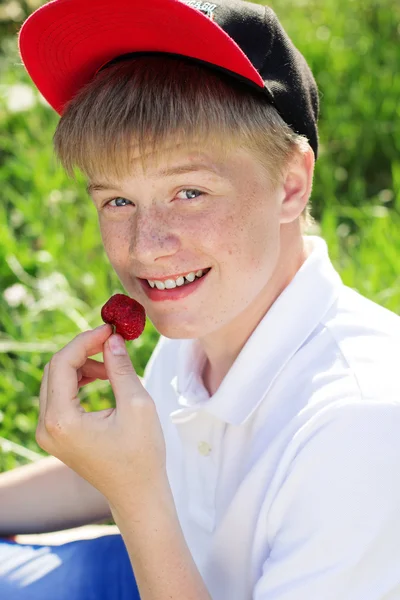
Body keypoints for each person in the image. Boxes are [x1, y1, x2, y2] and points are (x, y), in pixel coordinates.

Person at [1, 0, 399, 598]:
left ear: (290, 184)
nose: (146, 248)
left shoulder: (363, 426)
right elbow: (127, 474)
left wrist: (134, 496)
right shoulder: (209, 328)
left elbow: (138, 485)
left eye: (189, 191)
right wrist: (121, 476)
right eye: (117, 201)